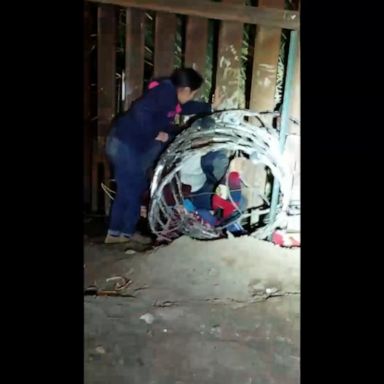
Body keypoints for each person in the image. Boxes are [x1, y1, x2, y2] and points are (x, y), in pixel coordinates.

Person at [105, 68, 220, 245]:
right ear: (186, 90)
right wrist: (155, 133)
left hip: (128, 144)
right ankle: (117, 235)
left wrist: (209, 107)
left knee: (133, 186)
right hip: (123, 143)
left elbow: (185, 107)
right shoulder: (164, 92)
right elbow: (140, 110)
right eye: (193, 93)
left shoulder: (170, 96)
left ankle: (122, 233)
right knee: (130, 188)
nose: (191, 98)